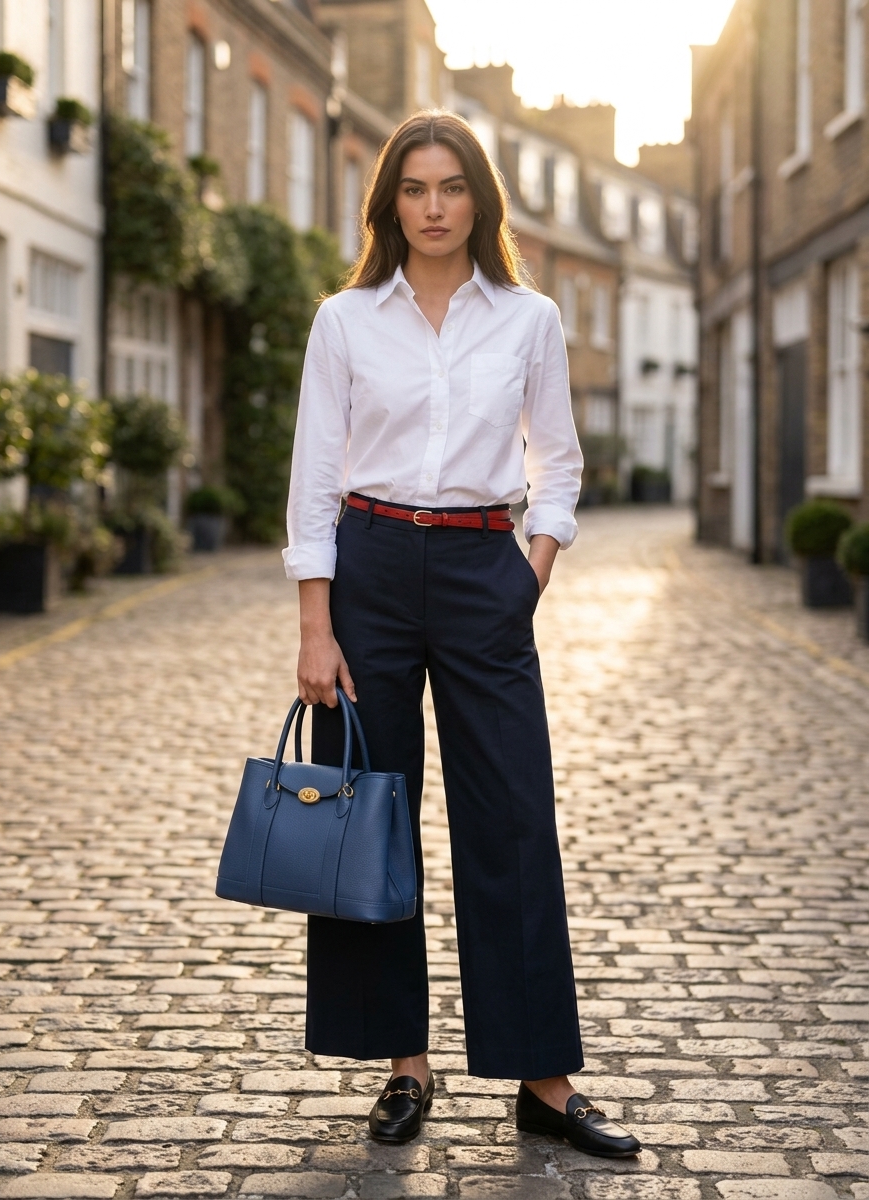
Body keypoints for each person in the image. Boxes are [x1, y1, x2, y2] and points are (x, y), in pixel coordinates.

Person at [283, 110, 640, 1158]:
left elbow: (557, 462)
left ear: (479, 199)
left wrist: (526, 574)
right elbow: (313, 474)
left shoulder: (527, 318)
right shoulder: (344, 322)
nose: (432, 207)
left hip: (487, 569)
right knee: (370, 818)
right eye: (412, 189)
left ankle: (544, 1081)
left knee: (513, 822)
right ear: (388, 202)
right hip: (370, 571)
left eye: (450, 187)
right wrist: (315, 620)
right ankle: (402, 1064)